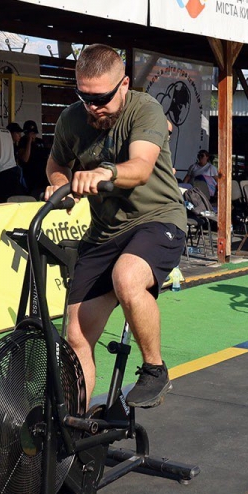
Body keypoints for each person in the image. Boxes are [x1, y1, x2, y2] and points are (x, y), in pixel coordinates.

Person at [46, 44, 186, 408]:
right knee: (76, 334)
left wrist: (104, 172)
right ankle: (72, 425)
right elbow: (56, 164)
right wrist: (59, 184)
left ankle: (154, 369)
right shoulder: (71, 119)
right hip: (104, 233)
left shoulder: (145, 109)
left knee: (127, 277)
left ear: (123, 85)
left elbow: (140, 168)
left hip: (157, 219)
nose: (93, 107)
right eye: (85, 97)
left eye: (101, 98)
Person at [19, 119, 50, 198]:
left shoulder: (40, 142)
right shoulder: (23, 141)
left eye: (34, 133)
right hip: (30, 174)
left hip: (42, 173)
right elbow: (25, 159)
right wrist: (29, 141)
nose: (33, 135)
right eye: (30, 133)